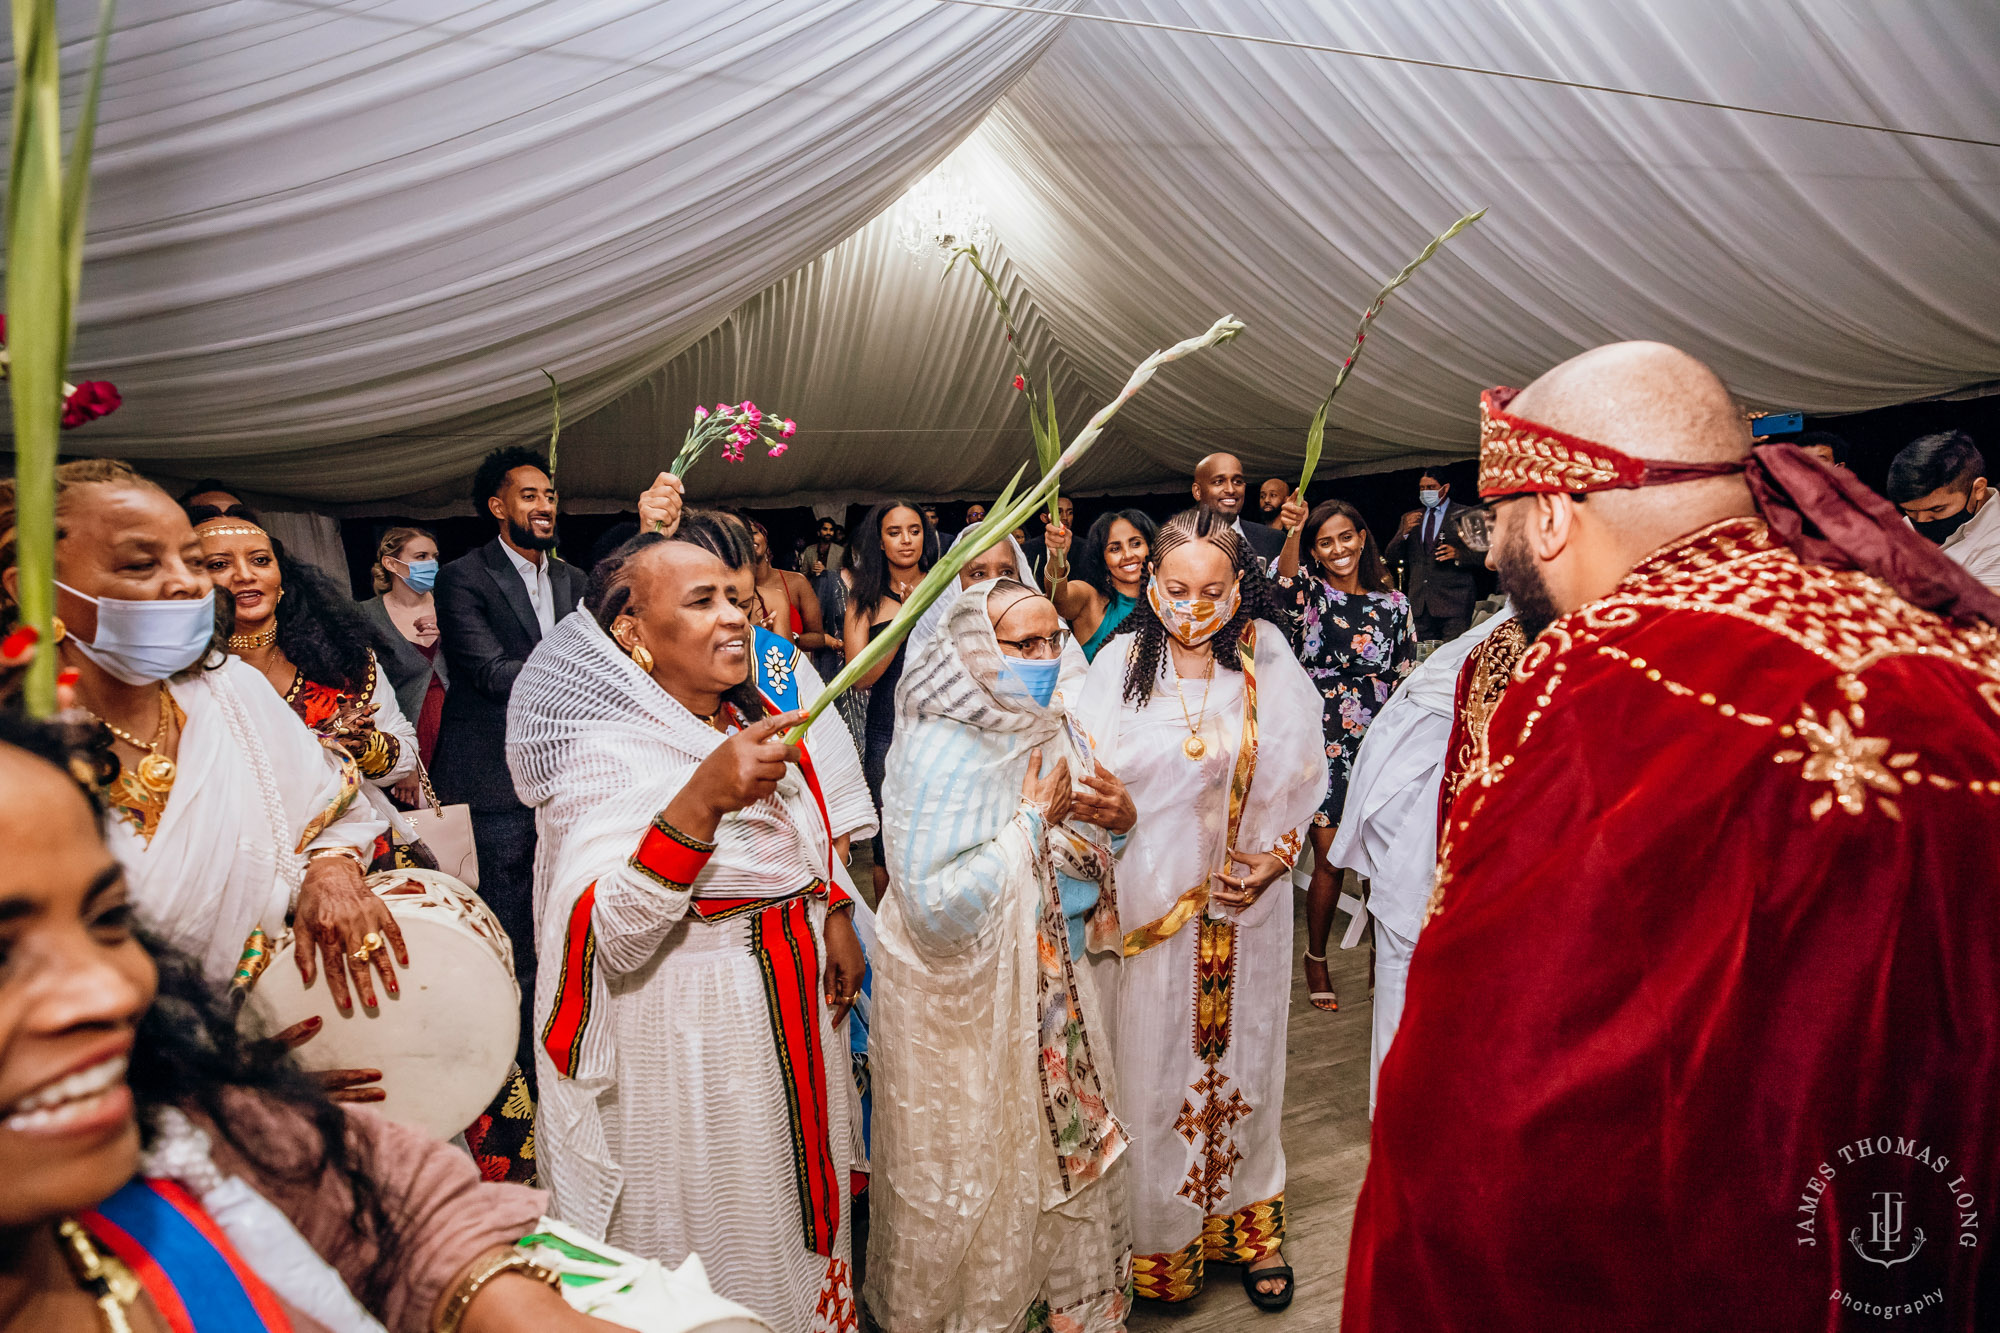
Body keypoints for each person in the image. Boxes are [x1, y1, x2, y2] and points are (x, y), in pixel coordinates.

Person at [1345, 343, 2000, 1331]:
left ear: (1556, 511)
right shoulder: (1929, 636)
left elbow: (1490, 1101)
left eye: (1505, 521)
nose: (1493, 553)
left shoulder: (1599, 679)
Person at [0, 713, 647, 1333]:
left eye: (108, 920)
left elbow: (388, 1201)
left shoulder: (186, 1135)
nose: (112, 990)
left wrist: (496, 1296)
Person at [508, 531, 868, 1333]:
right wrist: (700, 802)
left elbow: (806, 840)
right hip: (695, 1036)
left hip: (793, 1007)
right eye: (701, 602)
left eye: (735, 599)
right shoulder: (606, 752)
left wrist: (833, 914)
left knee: (798, 1206)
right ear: (633, 629)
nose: (735, 618)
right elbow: (615, 935)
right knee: (727, 1220)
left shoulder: (748, 720)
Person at [0, 461, 392, 998]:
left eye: (190, 561)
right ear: (33, 589)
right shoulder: (17, 748)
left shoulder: (231, 693)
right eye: (141, 564)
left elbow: (332, 813)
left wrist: (331, 872)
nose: (187, 583)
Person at [1074, 509, 1327, 1312]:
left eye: (1211, 589)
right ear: (1151, 585)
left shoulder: (1263, 658)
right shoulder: (1116, 665)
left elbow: (1304, 774)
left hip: (1246, 917)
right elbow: (1076, 782)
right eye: (1176, 587)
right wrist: (1109, 816)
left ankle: (1250, 1227)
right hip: (1149, 916)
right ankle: (1157, 1242)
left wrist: (1279, 857)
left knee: (1247, 1067)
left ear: (1238, 589)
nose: (1192, 603)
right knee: (1152, 1077)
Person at [866, 577, 1135, 1332]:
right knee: (978, 1173)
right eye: (1025, 643)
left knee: (1054, 1162)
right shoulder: (936, 749)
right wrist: (1028, 826)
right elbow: (934, 909)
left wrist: (1121, 819)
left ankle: (1068, 1311)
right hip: (963, 1011)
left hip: (1052, 986)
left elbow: (1088, 846)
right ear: (974, 650)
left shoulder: (1054, 725)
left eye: (1054, 639)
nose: (1047, 656)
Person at [1326, 605, 1522, 1116]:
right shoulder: (1507, 645)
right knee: (1407, 961)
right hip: (1431, 819)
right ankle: (1402, 1114)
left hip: (1436, 821)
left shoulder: (1511, 639)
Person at [434, 447, 586, 1091]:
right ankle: (521, 1074)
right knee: (512, 928)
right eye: (528, 495)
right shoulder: (462, 577)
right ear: (498, 507)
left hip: (570, 776)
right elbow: (487, 670)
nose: (544, 505)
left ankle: (571, 1040)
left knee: (568, 914)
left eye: (549, 494)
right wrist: (584, 676)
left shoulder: (577, 582)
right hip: (495, 780)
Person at [193, 512, 420, 869]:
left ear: (281, 578)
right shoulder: (178, 677)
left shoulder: (343, 660)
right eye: (220, 564)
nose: (245, 574)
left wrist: (365, 746)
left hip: (351, 855)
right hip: (228, 862)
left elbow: (406, 752)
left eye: (260, 560)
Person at [1273, 497, 1416, 1014]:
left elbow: (1406, 672)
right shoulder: (1309, 593)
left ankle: (1383, 956)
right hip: (1323, 731)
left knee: (1380, 855)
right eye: (1325, 541)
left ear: (1362, 537)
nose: (1339, 549)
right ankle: (1316, 957)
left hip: (1381, 733)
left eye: (1346, 537)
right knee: (1331, 855)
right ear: (1315, 549)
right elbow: (1281, 584)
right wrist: (1291, 533)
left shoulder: (1395, 603)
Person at [843, 500, 935, 897]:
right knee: (888, 847)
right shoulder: (863, 598)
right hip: (887, 732)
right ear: (879, 542)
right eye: (894, 532)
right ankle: (889, 946)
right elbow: (861, 677)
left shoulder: (944, 585)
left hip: (943, 728)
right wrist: (904, 620)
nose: (905, 540)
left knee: (939, 833)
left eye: (913, 530)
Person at [360, 526, 451, 788]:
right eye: (421, 556)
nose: (431, 564)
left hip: (461, 731)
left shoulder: (454, 604)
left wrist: (451, 628)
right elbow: (366, 694)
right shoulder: (366, 616)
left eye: (434, 557)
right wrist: (399, 764)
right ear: (391, 563)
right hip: (409, 734)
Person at [1889, 430, 1999, 590]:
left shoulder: (1995, 547)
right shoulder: (1916, 517)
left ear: (1978, 489)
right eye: (1911, 512)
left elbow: (1983, 611)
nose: (1920, 521)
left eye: (1937, 510)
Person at [1046, 509, 1156, 662]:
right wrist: (1057, 557)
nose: (1128, 555)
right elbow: (1059, 598)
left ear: (1151, 547)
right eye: (1115, 548)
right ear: (1101, 557)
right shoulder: (1092, 600)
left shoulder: (1168, 600)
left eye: (1136, 544)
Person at [1383, 469, 1478, 641]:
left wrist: (1459, 554)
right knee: (1422, 659)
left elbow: (1485, 556)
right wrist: (1403, 533)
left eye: (1431, 487)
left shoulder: (1464, 515)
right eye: (1422, 488)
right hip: (1420, 603)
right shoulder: (1411, 517)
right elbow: (1391, 556)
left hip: (1454, 603)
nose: (1426, 492)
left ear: (1445, 488)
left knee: (1452, 659)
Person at [747, 519, 832, 653]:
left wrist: (790, 637)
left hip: (793, 668)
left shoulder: (797, 582)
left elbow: (818, 638)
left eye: (753, 532)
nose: (749, 538)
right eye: (742, 536)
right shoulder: (734, 590)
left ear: (765, 539)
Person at [1190, 453, 1284, 562]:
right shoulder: (1175, 541)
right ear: (1198, 492)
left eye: (1237, 482)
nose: (1231, 490)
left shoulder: (1273, 539)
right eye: (1218, 482)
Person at [1021, 495, 1076, 583]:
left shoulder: (1085, 547)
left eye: (1070, 512)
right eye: (1058, 512)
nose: (1065, 517)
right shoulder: (1029, 548)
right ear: (1045, 518)